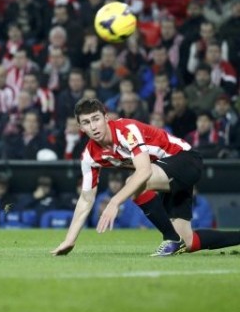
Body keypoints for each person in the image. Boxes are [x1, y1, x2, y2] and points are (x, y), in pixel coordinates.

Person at [51, 97, 240, 257]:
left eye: (96, 119)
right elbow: (86, 199)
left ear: (106, 118)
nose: (93, 126)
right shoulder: (90, 156)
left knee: (136, 181)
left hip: (186, 160)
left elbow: (144, 172)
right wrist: (69, 240)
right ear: (81, 128)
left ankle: (170, 238)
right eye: (86, 122)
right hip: (166, 174)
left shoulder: (126, 130)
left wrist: (114, 202)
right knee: (188, 242)